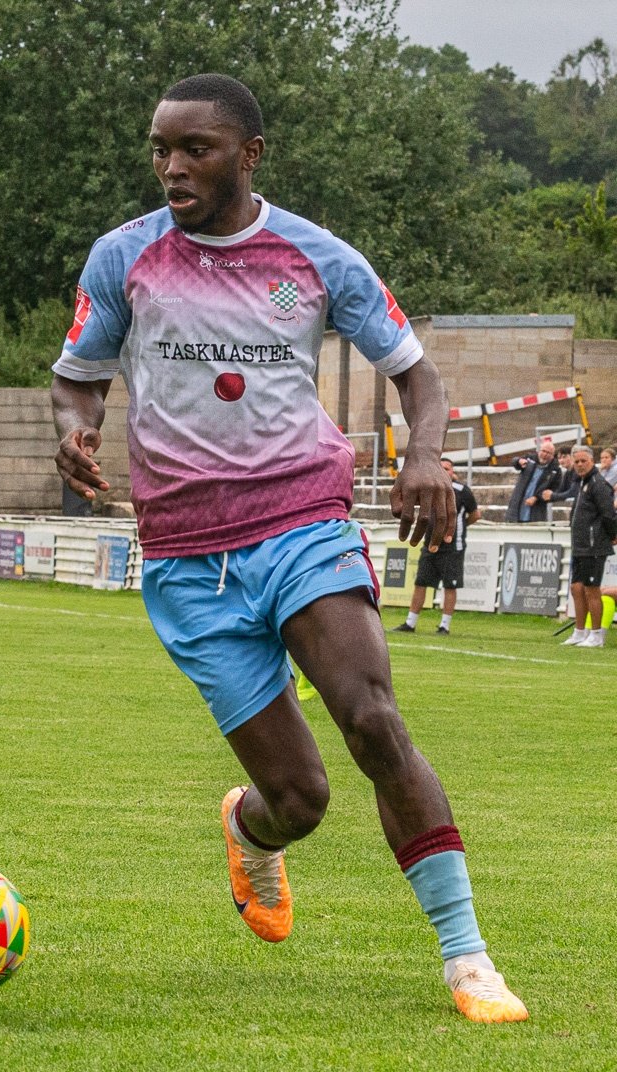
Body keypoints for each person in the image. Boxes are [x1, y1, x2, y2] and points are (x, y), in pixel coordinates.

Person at [51, 73, 526, 1023]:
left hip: (303, 521)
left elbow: (417, 375)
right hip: (187, 557)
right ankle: (250, 828)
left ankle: (468, 958)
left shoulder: (317, 258)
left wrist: (427, 454)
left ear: (249, 155)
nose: (172, 168)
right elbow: (79, 378)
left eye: (196, 150)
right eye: (161, 150)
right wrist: (75, 428)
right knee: (299, 798)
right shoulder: (123, 258)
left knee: (372, 720)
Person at [390, 458, 480, 636]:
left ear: (453, 472)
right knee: (420, 582)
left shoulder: (462, 491)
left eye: (448, 468)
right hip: (430, 543)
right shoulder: (429, 489)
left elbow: (476, 514)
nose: (445, 472)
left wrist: (457, 528)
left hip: (453, 546)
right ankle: (410, 623)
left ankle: (444, 626)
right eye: (442, 468)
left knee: (450, 586)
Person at [560, 445, 617, 648]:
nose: (580, 465)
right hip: (580, 545)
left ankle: (596, 634)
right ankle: (579, 631)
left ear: (592, 461)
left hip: (594, 545)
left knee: (592, 589)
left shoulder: (598, 484)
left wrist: (613, 535)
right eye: (576, 462)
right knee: (576, 588)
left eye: (583, 461)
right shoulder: (581, 482)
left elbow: (608, 513)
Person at [503, 439, 559, 523]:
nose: (545, 454)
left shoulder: (555, 470)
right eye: (543, 451)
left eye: (548, 453)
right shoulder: (530, 459)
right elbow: (515, 461)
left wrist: (537, 498)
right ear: (539, 450)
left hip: (536, 512)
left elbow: (554, 491)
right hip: (516, 508)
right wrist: (519, 461)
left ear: (552, 455)